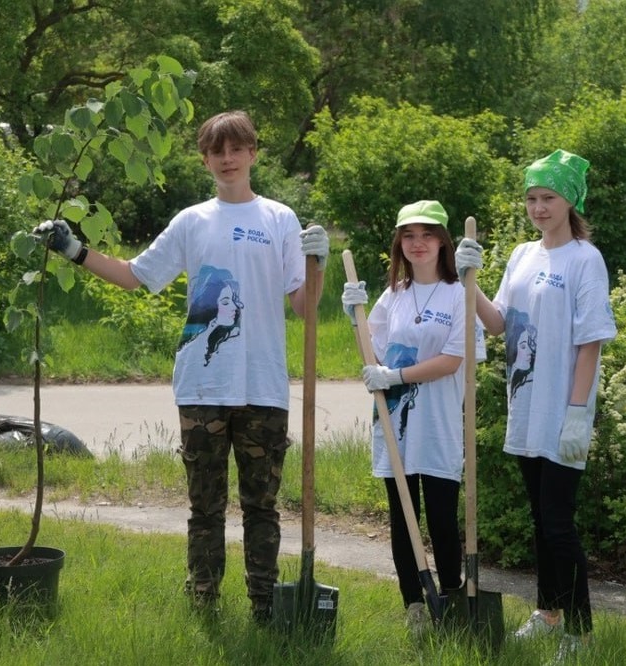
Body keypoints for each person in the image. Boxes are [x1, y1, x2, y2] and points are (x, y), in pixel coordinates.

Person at [34, 110, 328, 624]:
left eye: (237, 149)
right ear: (205, 160)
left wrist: (316, 265)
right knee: (205, 507)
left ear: (254, 154)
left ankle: (265, 606)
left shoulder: (280, 219)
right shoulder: (192, 221)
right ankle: (204, 603)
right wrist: (74, 250)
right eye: (217, 151)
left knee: (262, 508)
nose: (228, 159)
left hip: (263, 386)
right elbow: (134, 276)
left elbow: (304, 306)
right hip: (202, 383)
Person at [454, 149, 617, 663]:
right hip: (526, 406)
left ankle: (582, 632)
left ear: (571, 200)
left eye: (548, 197)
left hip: (563, 409)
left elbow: (590, 341)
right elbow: (498, 322)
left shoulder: (585, 259)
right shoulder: (524, 255)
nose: (539, 207)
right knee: (539, 518)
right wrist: (469, 281)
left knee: (558, 522)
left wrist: (576, 412)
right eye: (531, 198)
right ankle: (548, 612)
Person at [340, 200, 485, 635]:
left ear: (442, 242)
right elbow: (373, 356)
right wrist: (355, 319)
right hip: (393, 422)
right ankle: (415, 607)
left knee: (441, 518)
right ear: (399, 244)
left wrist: (396, 374)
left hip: (438, 425)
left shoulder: (461, 294)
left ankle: (453, 598)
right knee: (403, 517)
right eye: (408, 236)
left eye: (426, 235)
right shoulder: (393, 296)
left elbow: (453, 360)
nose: (417, 244)